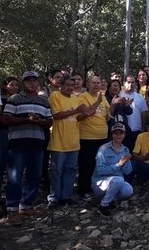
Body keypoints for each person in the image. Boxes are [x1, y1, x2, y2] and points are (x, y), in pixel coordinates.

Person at [3, 71, 52, 225]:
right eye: (28, 81)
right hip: (17, 143)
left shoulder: (44, 101)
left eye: (34, 81)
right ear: (24, 83)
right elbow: (6, 119)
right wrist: (26, 119)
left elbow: (49, 121)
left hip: (37, 143)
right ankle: (12, 209)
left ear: (38, 83)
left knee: (35, 176)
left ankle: (26, 205)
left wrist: (39, 122)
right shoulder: (15, 99)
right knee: (15, 177)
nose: (32, 83)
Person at [47, 76, 86, 208]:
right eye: (68, 85)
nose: (70, 87)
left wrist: (87, 113)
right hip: (59, 141)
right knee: (56, 171)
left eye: (72, 85)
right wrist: (76, 110)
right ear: (61, 86)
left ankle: (66, 196)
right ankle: (53, 198)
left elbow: (77, 118)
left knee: (70, 170)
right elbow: (56, 115)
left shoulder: (76, 98)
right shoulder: (55, 95)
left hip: (74, 141)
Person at [76, 76, 115, 200]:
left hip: (102, 136)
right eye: (93, 83)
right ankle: (83, 190)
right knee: (86, 164)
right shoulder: (82, 97)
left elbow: (108, 115)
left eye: (98, 82)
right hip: (87, 137)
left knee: (99, 164)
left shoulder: (103, 98)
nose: (96, 85)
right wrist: (97, 102)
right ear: (88, 84)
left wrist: (114, 105)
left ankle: (96, 188)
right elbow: (82, 115)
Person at [91, 122, 134, 217]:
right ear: (112, 134)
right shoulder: (103, 149)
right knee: (119, 180)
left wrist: (124, 164)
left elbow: (128, 171)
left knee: (128, 190)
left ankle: (110, 200)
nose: (118, 135)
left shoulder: (125, 150)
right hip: (100, 183)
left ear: (124, 134)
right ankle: (103, 206)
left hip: (117, 182)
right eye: (116, 133)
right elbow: (100, 170)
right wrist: (118, 165)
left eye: (121, 133)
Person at [120, 75, 149, 151]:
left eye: (133, 82)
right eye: (129, 82)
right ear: (124, 83)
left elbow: (143, 113)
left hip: (136, 130)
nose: (131, 84)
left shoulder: (140, 97)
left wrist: (143, 127)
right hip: (121, 130)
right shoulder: (120, 95)